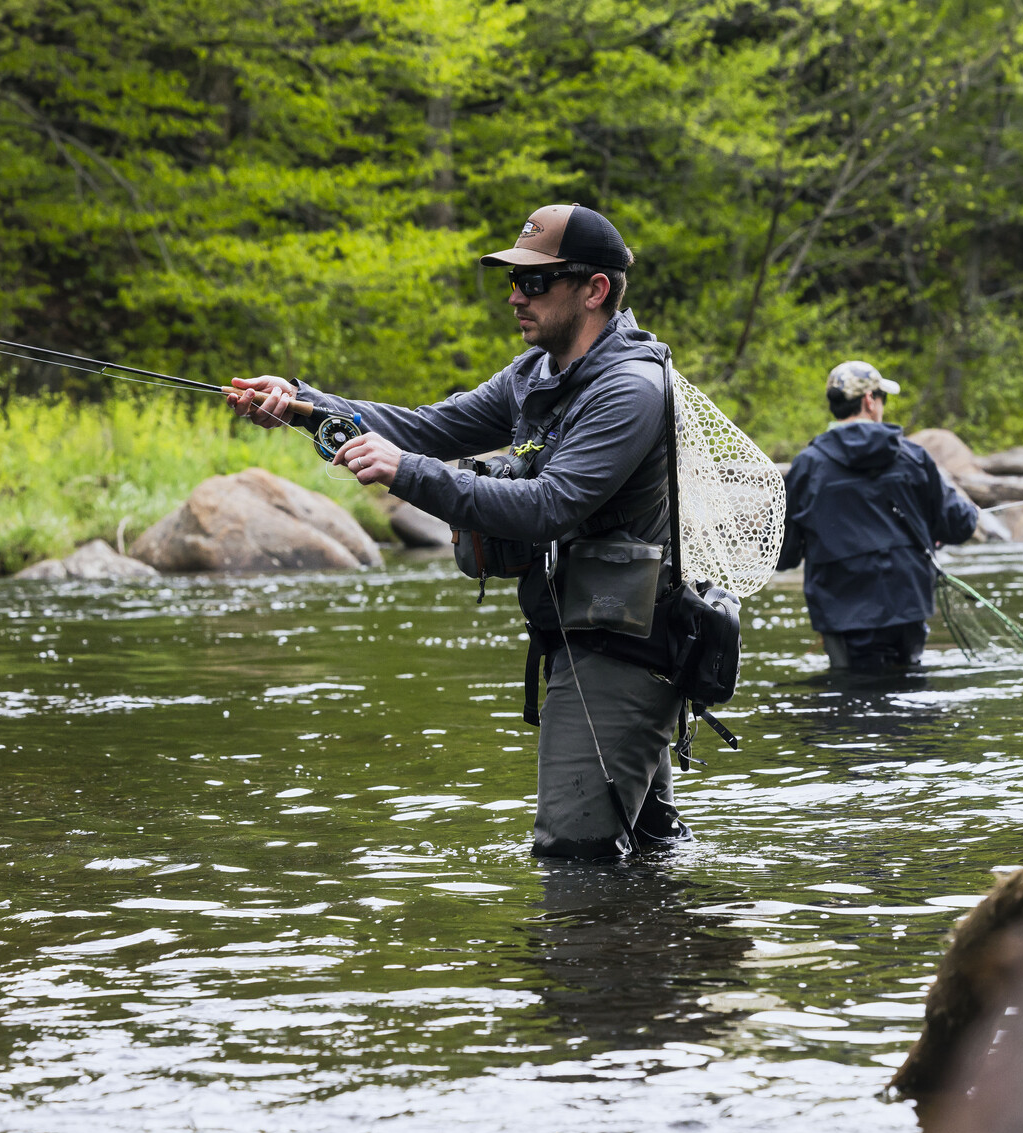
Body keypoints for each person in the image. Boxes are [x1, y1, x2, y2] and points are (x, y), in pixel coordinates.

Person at [226, 203, 688, 861]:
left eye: (534, 282)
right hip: (584, 636)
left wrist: (405, 475)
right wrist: (303, 404)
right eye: (512, 280)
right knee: (644, 854)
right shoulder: (535, 375)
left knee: (574, 861)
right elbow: (424, 428)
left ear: (595, 290)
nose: (514, 296)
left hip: (625, 653)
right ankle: (685, 947)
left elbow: (548, 506)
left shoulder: (631, 389)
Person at [777, 362, 980, 671]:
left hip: (840, 613)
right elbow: (960, 524)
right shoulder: (913, 457)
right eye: (882, 398)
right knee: (905, 697)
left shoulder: (807, 466)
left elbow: (783, 555)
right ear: (870, 401)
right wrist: (971, 511)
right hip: (907, 607)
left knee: (852, 701)